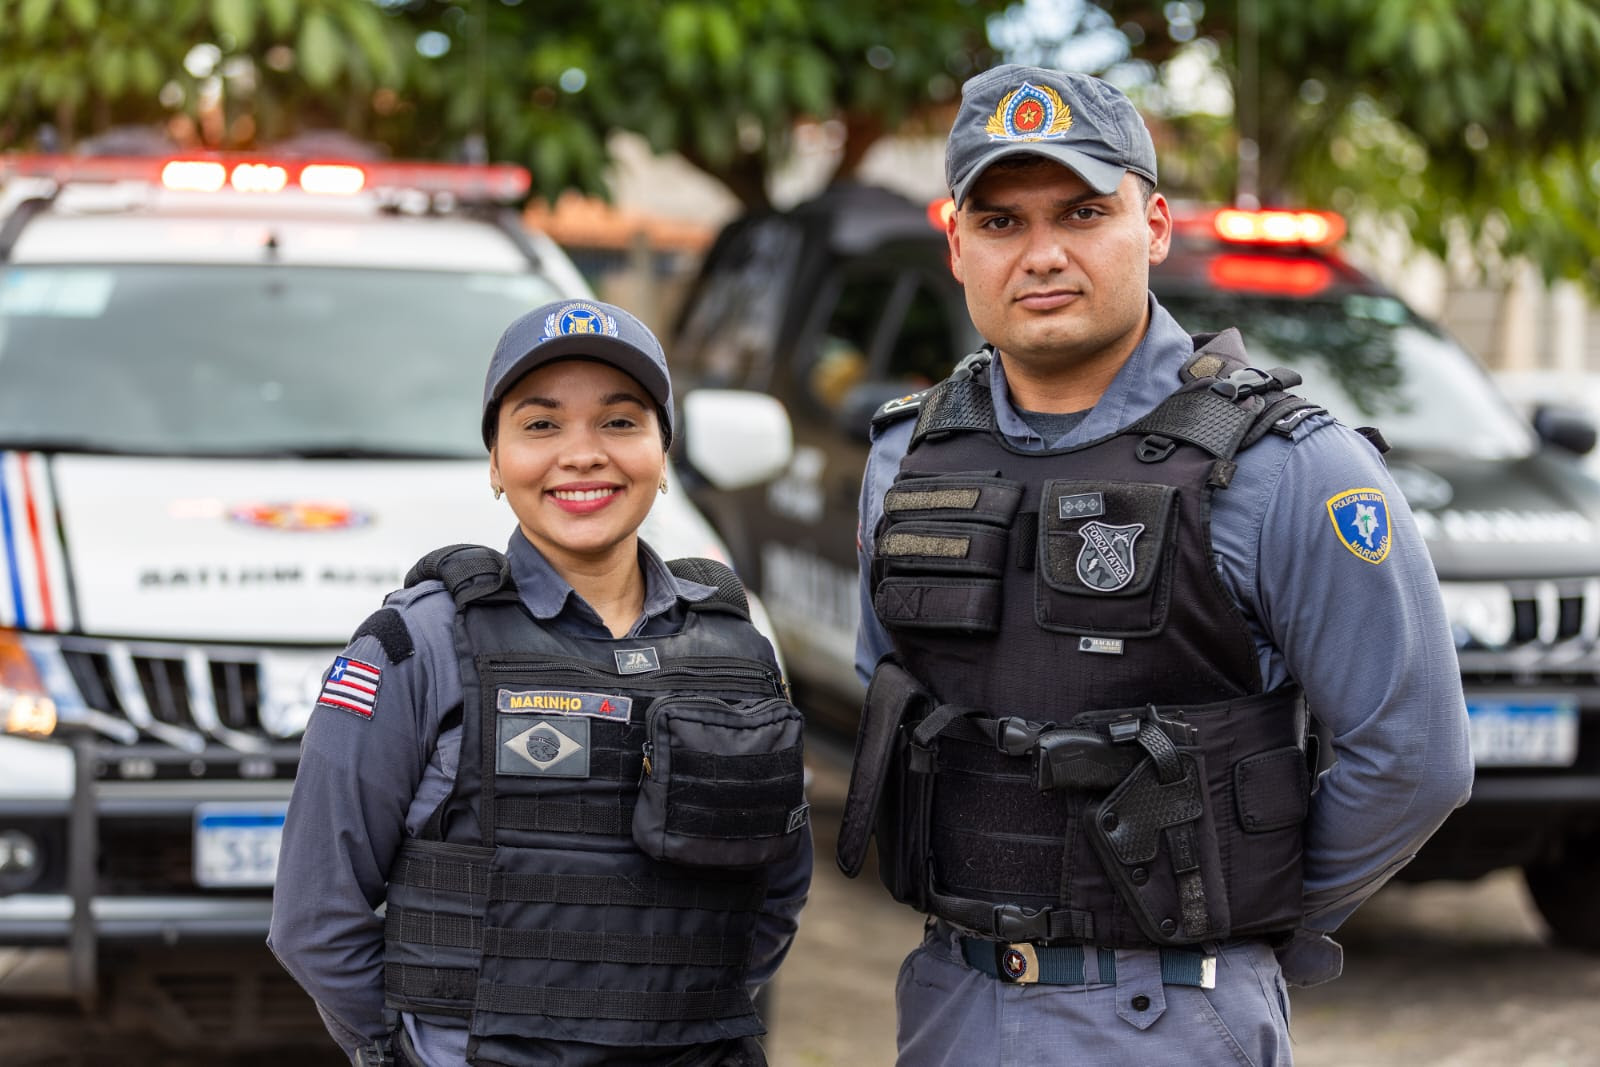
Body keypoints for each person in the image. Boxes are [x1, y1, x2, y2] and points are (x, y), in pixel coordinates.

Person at [836, 65, 1473, 1065]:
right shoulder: (902, 458)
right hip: (952, 1003)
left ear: (1157, 224)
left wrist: (1236, 906)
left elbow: (1414, 757)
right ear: (956, 245)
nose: (1041, 253)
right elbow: (898, 701)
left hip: (1170, 1015)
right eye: (1000, 222)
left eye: (1083, 211)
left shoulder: (1285, 465)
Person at [270, 298, 813, 1067]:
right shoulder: (417, 644)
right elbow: (314, 916)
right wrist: (402, 1051)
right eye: (541, 424)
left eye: (621, 422)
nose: (582, 453)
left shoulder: (737, 649)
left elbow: (777, 894)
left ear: (663, 452)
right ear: (496, 461)